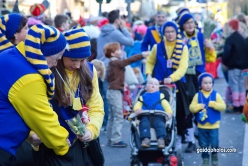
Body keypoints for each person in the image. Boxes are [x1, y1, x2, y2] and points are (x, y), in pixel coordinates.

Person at [33, 27, 104, 165]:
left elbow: (95, 106)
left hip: (81, 142)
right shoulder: (46, 71)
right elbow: (32, 109)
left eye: (83, 60)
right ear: (61, 54)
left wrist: (91, 130)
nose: (77, 65)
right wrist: (32, 135)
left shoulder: (90, 71)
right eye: (73, 59)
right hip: (50, 144)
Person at [0, 24, 69, 165]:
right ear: (41, 54)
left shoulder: (9, 55)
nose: (56, 64)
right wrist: (62, 144)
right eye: (56, 58)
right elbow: (43, 118)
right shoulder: (29, 79)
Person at [146, 21, 190, 153]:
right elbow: (150, 62)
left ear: (176, 32)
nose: (170, 34)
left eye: (172, 31)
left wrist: (171, 78)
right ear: (163, 33)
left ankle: (178, 138)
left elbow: (183, 67)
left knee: (180, 112)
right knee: (156, 110)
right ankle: (158, 136)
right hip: (157, 85)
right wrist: (148, 75)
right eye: (167, 32)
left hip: (176, 84)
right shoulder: (157, 47)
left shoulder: (183, 47)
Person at [177, 12, 217, 152]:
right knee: (187, 108)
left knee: (202, 106)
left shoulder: (201, 36)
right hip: (184, 76)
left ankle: (200, 134)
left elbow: (211, 58)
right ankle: (190, 141)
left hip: (200, 76)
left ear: (195, 24)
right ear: (182, 25)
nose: (189, 25)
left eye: (191, 22)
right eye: (186, 23)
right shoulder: (179, 38)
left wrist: (210, 46)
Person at [104, 42, 148, 147]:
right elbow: (129, 61)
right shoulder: (115, 63)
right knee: (118, 115)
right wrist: (142, 55)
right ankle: (116, 139)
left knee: (112, 115)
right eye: (118, 50)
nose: (121, 51)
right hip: (115, 92)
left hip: (112, 91)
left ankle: (111, 138)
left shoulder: (111, 63)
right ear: (113, 53)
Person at [97, 9, 134, 131]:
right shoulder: (115, 32)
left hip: (101, 66)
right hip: (111, 68)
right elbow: (130, 42)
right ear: (118, 20)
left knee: (103, 96)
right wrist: (124, 28)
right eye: (122, 19)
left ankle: (104, 124)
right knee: (111, 97)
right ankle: (108, 125)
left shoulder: (102, 31)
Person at [189, 72, 226, 166]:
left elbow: (223, 106)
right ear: (200, 84)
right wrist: (197, 107)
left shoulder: (216, 95)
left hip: (214, 125)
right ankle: (205, 158)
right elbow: (191, 108)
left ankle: (214, 155)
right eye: (205, 83)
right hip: (202, 125)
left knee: (214, 143)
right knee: (203, 144)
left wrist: (214, 104)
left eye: (210, 82)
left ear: (213, 83)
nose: (208, 85)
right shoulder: (198, 95)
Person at [133, 78, 172, 148]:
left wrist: (168, 112)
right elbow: (138, 105)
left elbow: (166, 105)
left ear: (158, 89)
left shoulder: (161, 97)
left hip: (158, 115)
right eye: (150, 83)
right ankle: (145, 139)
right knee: (144, 124)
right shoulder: (142, 97)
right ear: (146, 88)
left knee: (160, 124)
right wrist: (137, 109)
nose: (153, 85)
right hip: (145, 115)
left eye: (156, 84)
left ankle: (161, 139)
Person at [222, 19, 248, 113]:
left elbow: (226, 53)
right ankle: (242, 104)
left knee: (234, 85)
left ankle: (236, 105)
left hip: (234, 67)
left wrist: (225, 62)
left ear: (231, 27)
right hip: (244, 67)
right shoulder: (242, 39)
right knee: (242, 85)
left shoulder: (230, 39)